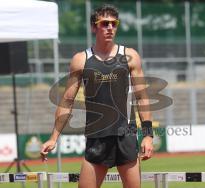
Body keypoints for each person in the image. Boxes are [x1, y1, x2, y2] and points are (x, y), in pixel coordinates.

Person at [40, 4, 154, 188]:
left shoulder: (130, 56)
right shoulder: (81, 60)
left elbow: (142, 97)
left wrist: (148, 135)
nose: (110, 27)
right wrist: (53, 138)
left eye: (114, 23)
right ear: (94, 27)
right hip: (97, 137)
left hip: (126, 136)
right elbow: (67, 101)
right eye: (104, 23)